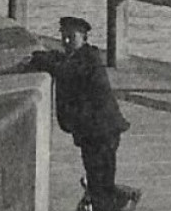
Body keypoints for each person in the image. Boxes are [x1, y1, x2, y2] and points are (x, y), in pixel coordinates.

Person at [26, 16, 130, 198]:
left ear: (84, 38)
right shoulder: (77, 57)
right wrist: (41, 56)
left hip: (103, 131)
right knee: (98, 177)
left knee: (100, 179)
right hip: (93, 131)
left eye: (71, 37)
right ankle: (105, 207)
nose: (66, 41)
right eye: (63, 37)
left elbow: (65, 70)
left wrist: (41, 60)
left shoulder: (90, 59)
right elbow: (59, 59)